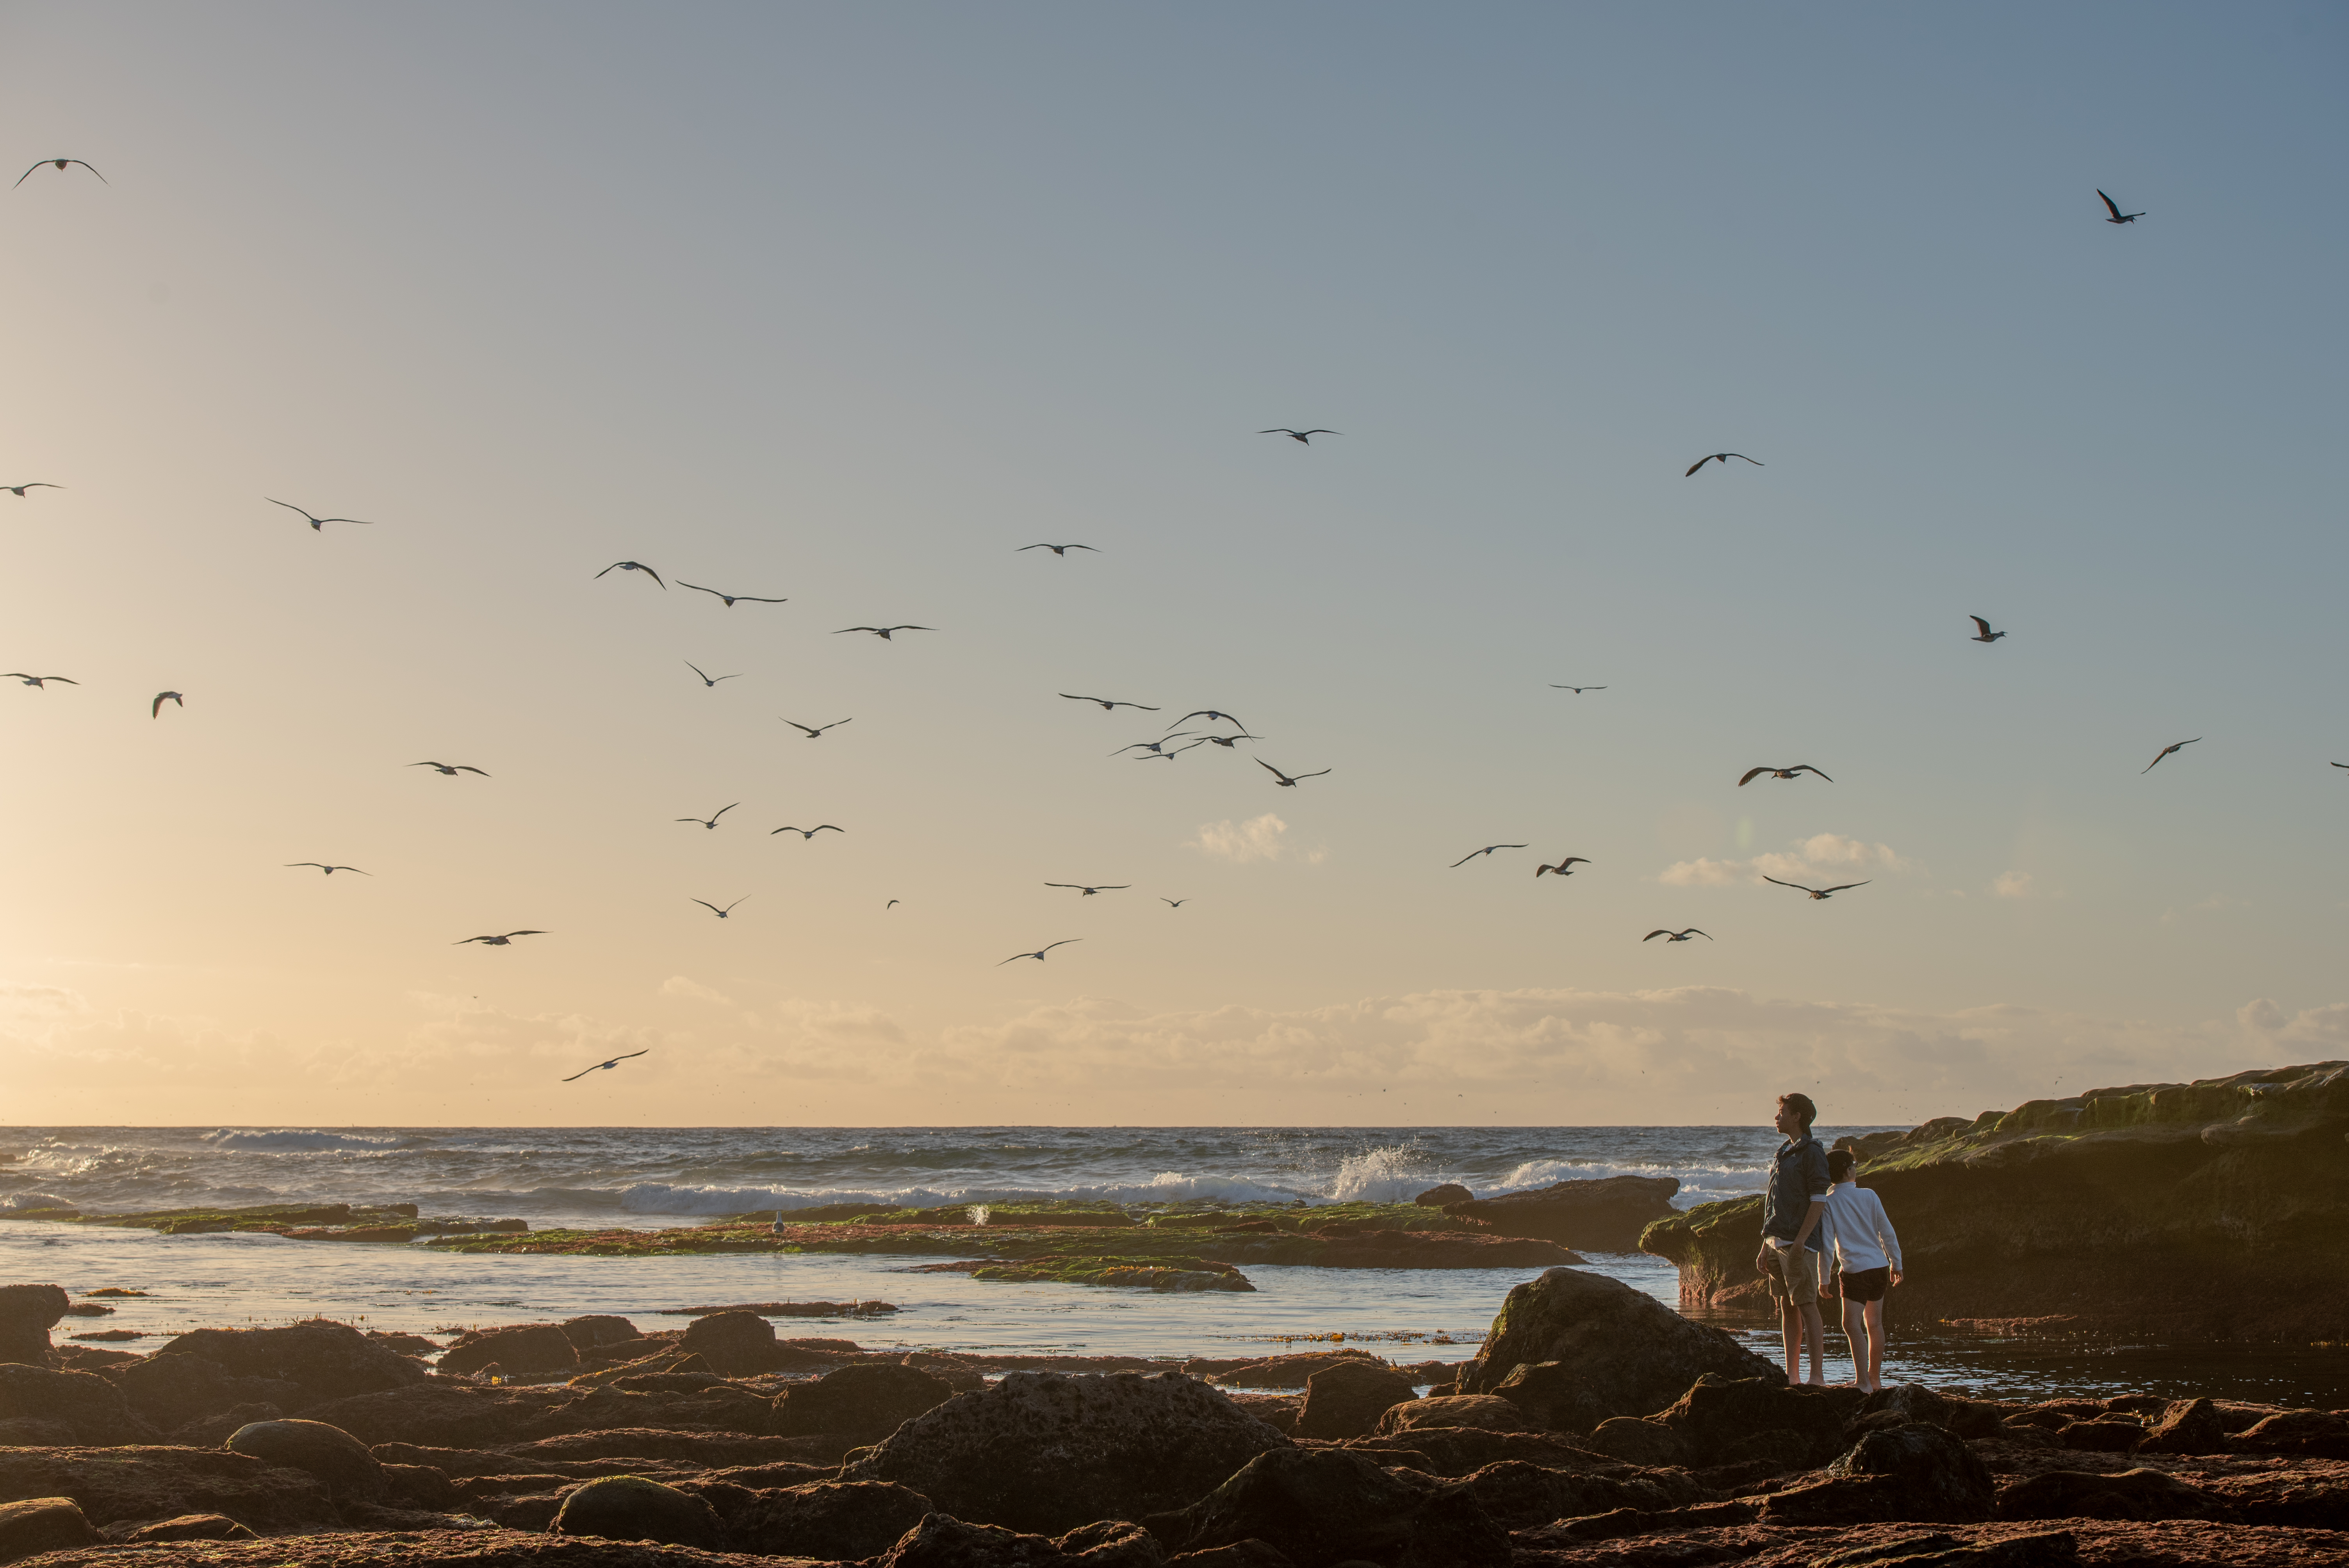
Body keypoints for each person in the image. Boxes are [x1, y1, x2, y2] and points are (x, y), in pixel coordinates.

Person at [1754, 1091, 1831, 1386]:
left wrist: (1801, 1240)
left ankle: (1817, 1377)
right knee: (1786, 1306)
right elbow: (1774, 1203)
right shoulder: (1783, 1152)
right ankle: (1793, 1376)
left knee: (1807, 1305)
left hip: (1798, 1244)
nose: (1777, 1117)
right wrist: (1765, 1245)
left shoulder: (1812, 1152)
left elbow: (1818, 1199)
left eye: (1782, 1112)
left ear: (1797, 1116)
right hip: (1776, 1242)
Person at [1821, 1147, 1903, 1392]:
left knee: (1850, 1325)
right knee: (1874, 1324)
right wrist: (1896, 1263)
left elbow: (1826, 1245)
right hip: (1879, 1267)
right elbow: (1887, 1232)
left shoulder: (1829, 1201)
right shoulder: (1870, 1195)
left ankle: (1863, 1382)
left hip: (1855, 1271)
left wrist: (1823, 1278)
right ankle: (1874, 1380)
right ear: (1848, 1171)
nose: (1856, 1167)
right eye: (1854, 1164)